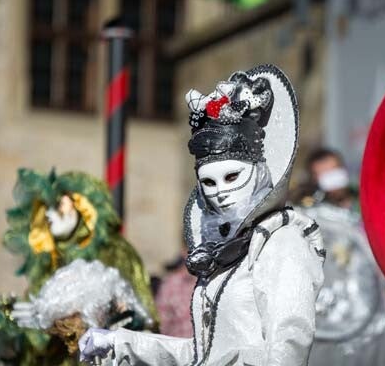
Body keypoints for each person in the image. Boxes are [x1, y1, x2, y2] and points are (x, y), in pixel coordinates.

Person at [79, 65, 325, 365]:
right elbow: (204, 356)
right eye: (209, 182)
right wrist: (121, 343)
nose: (220, 191)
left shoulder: (282, 243)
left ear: (260, 172)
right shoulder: (230, 251)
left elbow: (288, 352)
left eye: (232, 176)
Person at [298, 148, 385, 365]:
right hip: (347, 318)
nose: (333, 178)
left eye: (335, 170)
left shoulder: (368, 198)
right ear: (314, 180)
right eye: (325, 174)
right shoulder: (314, 219)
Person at [155, 247, 196, 338]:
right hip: (179, 344)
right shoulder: (171, 284)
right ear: (184, 252)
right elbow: (161, 326)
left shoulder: (214, 282)